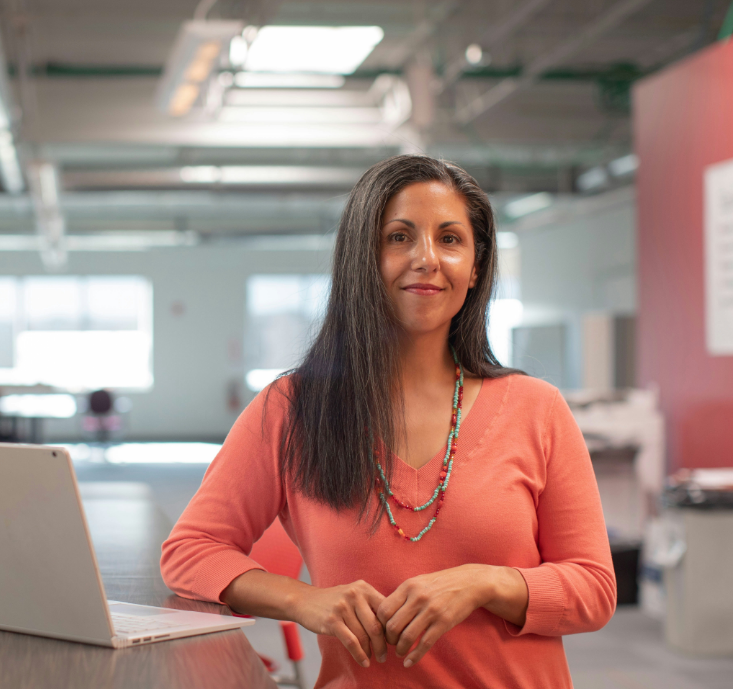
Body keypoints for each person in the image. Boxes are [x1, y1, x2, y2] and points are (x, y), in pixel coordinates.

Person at [161, 155, 616, 688]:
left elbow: (594, 590)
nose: (427, 258)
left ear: (474, 267)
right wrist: (303, 600)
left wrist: (485, 583)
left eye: (450, 239)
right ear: (363, 258)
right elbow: (190, 552)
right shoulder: (291, 409)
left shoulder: (536, 409)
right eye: (399, 237)